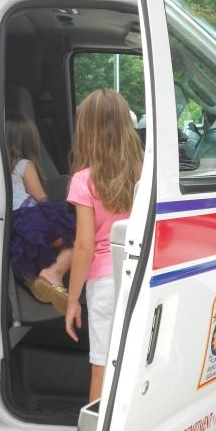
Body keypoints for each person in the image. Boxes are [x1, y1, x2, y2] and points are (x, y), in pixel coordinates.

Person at [65, 89, 143, 402]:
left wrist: (72, 301)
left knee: (102, 366)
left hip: (105, 281)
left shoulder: (83, 180)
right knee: (135, 365)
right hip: (140, 273)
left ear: (86, 131)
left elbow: (83, 246)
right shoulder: (143, 171)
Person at [6, 112, 76, 315]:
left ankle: (34, 282)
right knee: (75, 235)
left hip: (13, 225)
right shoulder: (24, 165)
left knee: (30, 253)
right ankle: (56, 279)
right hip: (30, 218)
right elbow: (41, 199)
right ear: (27, 141)